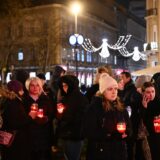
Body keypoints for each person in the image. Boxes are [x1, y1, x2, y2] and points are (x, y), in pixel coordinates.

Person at [84, 73, 131, 160]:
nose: (114, 92)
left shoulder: (120, 107)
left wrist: (126, 132)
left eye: (116, 89)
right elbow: (89, 132)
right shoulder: (94, 107)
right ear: (103, 91)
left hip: (119, 151)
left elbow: (128, 126)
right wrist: (110, 135)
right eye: (110, 89)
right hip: (100, 152)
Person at [1, 80, 36, 160]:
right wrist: (30, 117)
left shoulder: (6, 100)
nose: (23, 91)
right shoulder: (14, 103)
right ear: (17, 90)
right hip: (16, 140)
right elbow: (16, 123)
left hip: (9, 139)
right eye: (21, 89)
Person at [57, 75, 89, 160]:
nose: (64, 88)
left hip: (75, 136)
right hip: (65, 134)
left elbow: (81, 118)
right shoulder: (65, 98)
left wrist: (64, 116)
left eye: (66, 85)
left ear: (72, 85)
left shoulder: (81, 99)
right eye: (63, 86)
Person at [23, 77, 54, 160]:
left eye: (37, 85)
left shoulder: (45, 99)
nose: (35, 88)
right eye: (32, 85)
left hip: (43, 135)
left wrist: (46, 118)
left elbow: (51, 114)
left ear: (40, 86)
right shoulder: (24, 100)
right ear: (28, 87)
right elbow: (22, 117)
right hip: (29, 135)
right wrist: (29, 117)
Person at [120, 71, 142, 160]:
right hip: (127, 120)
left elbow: (127, 104)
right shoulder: (126, 89)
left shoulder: (131, 90)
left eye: (122, 77)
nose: (121, 79)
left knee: (130, 143)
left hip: (131, 120)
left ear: (128, 78)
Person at [141, 82, 160, 160]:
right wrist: (144, 107)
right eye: (148, 92)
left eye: (153, 91)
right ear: (143, 93)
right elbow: (142, 121)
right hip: (148, 135)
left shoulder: (158, 101)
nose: (151, 94)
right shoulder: (141, 103)